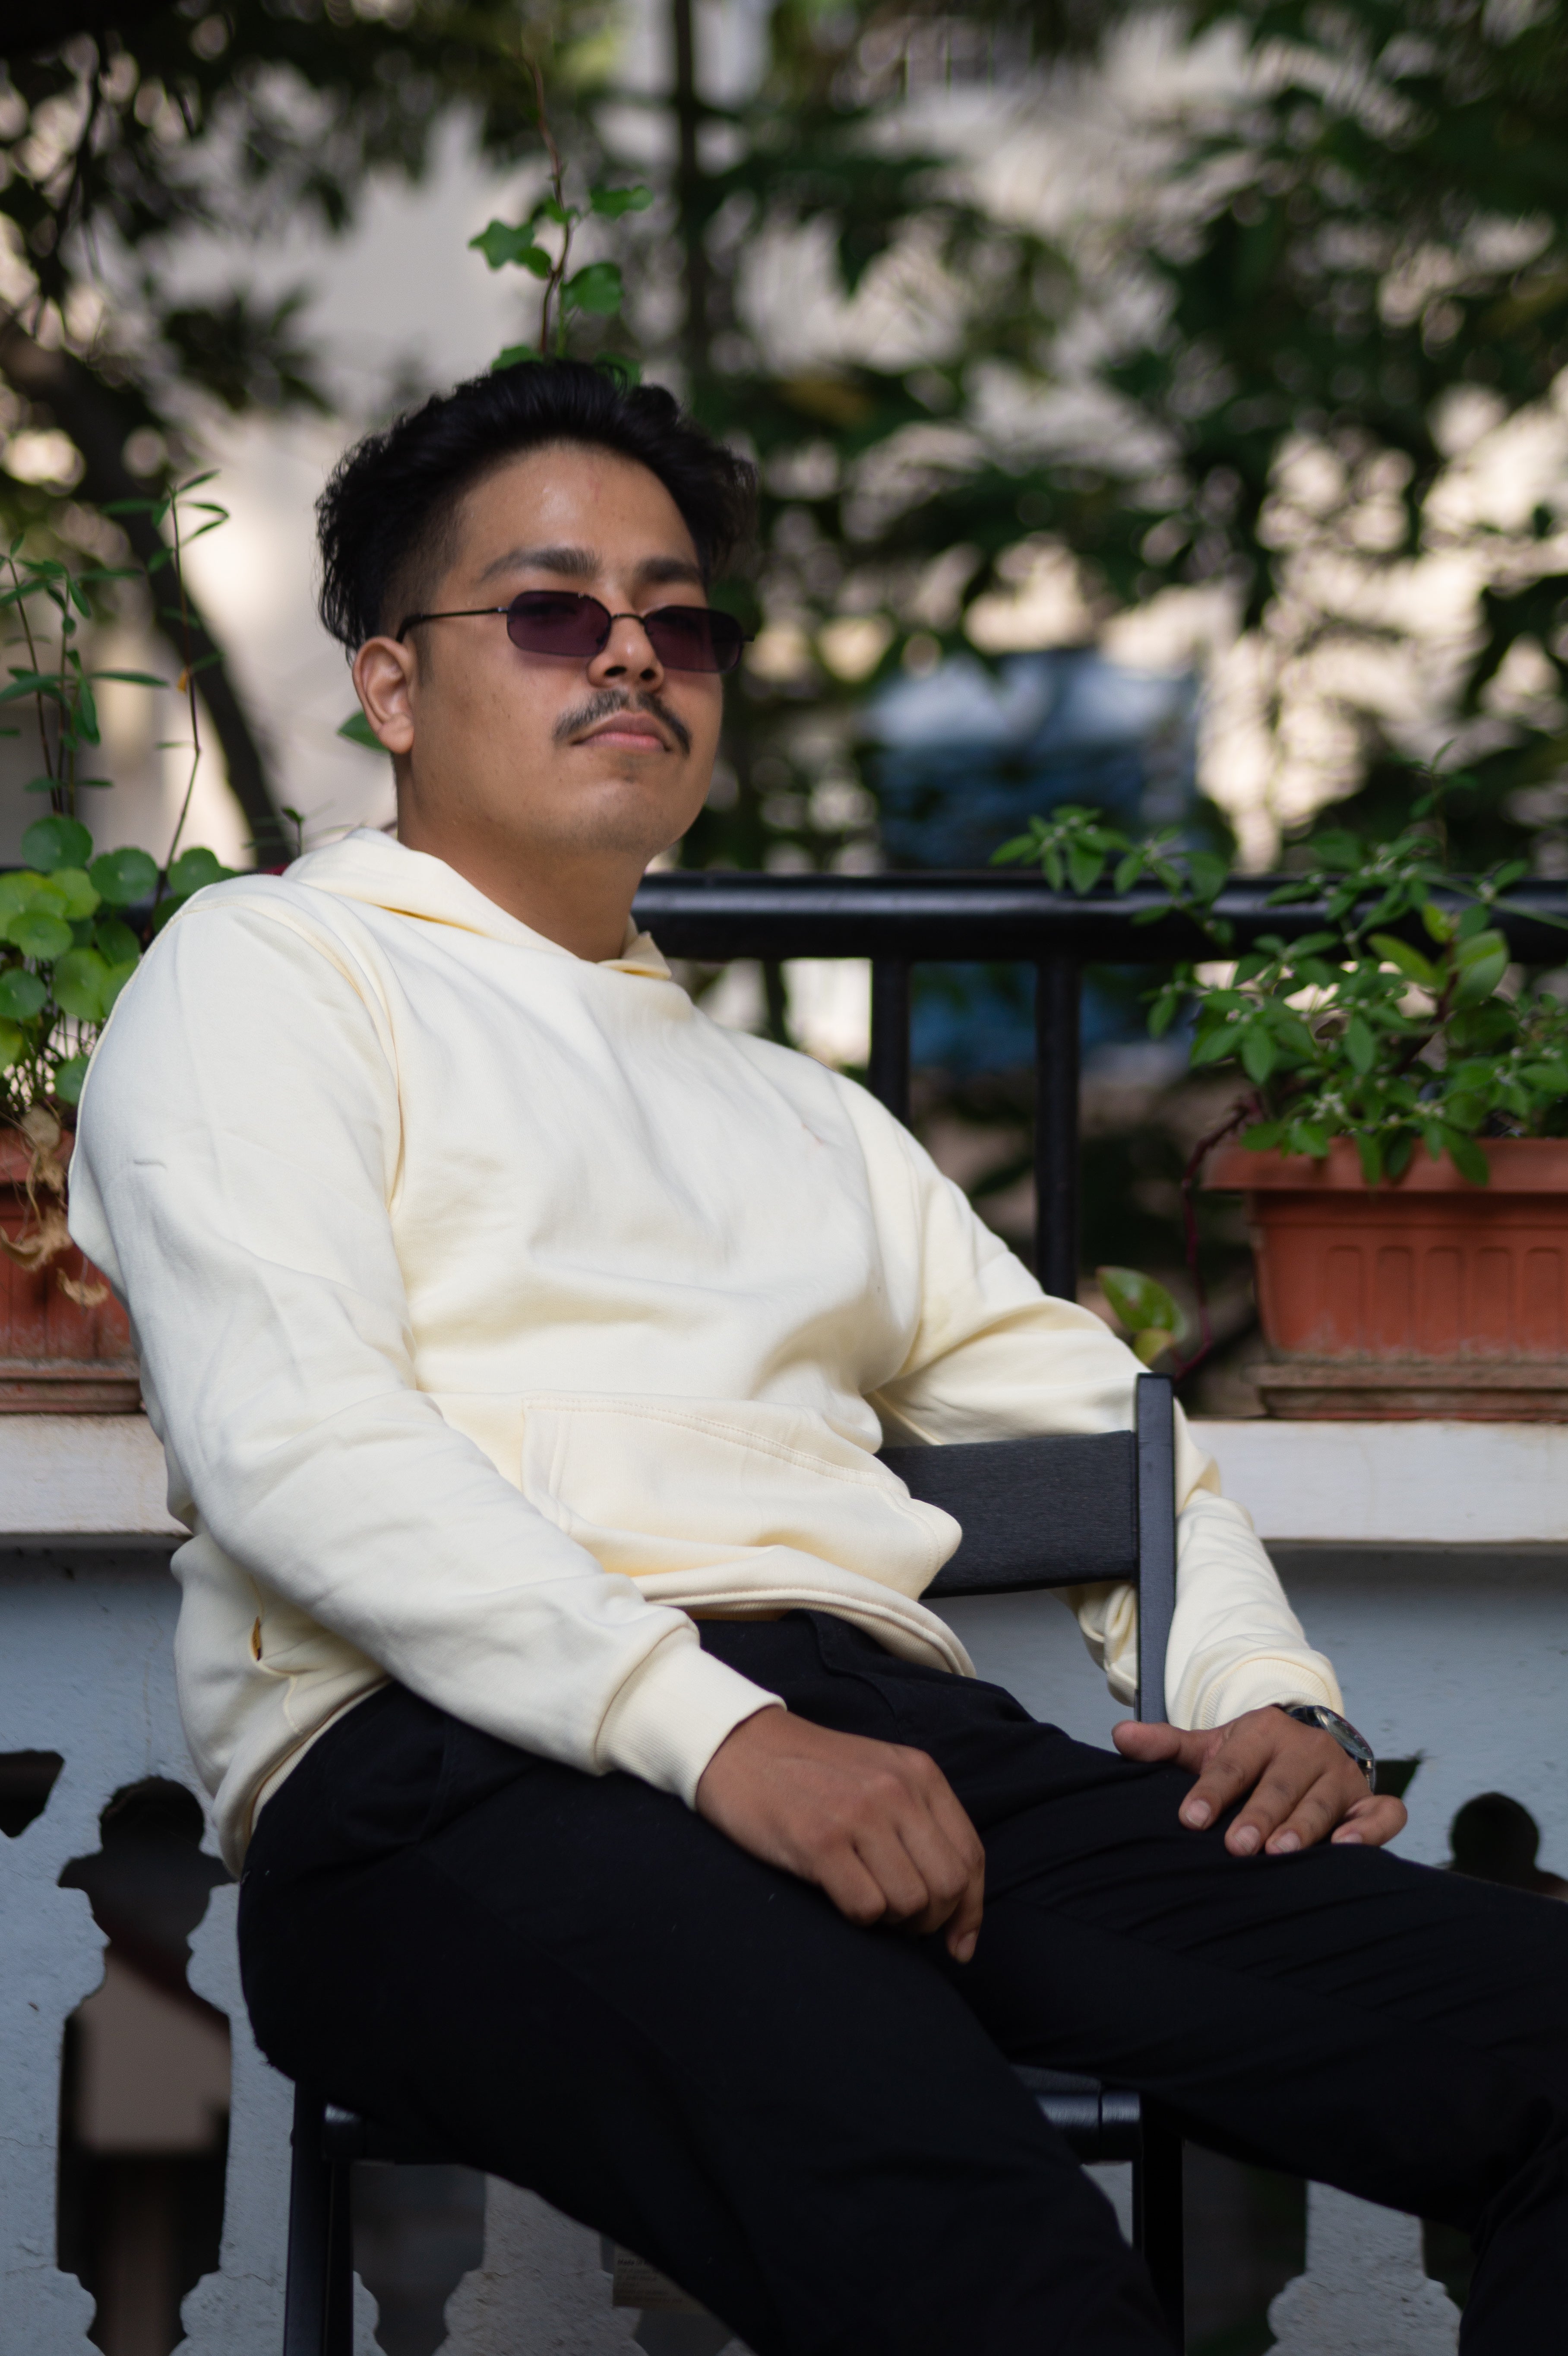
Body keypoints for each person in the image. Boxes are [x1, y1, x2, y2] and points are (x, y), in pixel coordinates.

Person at [70, 359, 1566, 2355]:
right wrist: (720, 1739)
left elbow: (1092, 1421)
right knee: (986, 2254)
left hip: (882, 1741)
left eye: (675, 619)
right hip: (443, 1773)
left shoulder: (802, 1115)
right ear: (392, 683)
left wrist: (1253, 1690)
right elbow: (297, 1439)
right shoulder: (268, 971)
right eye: (549, 609)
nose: (629, 655)